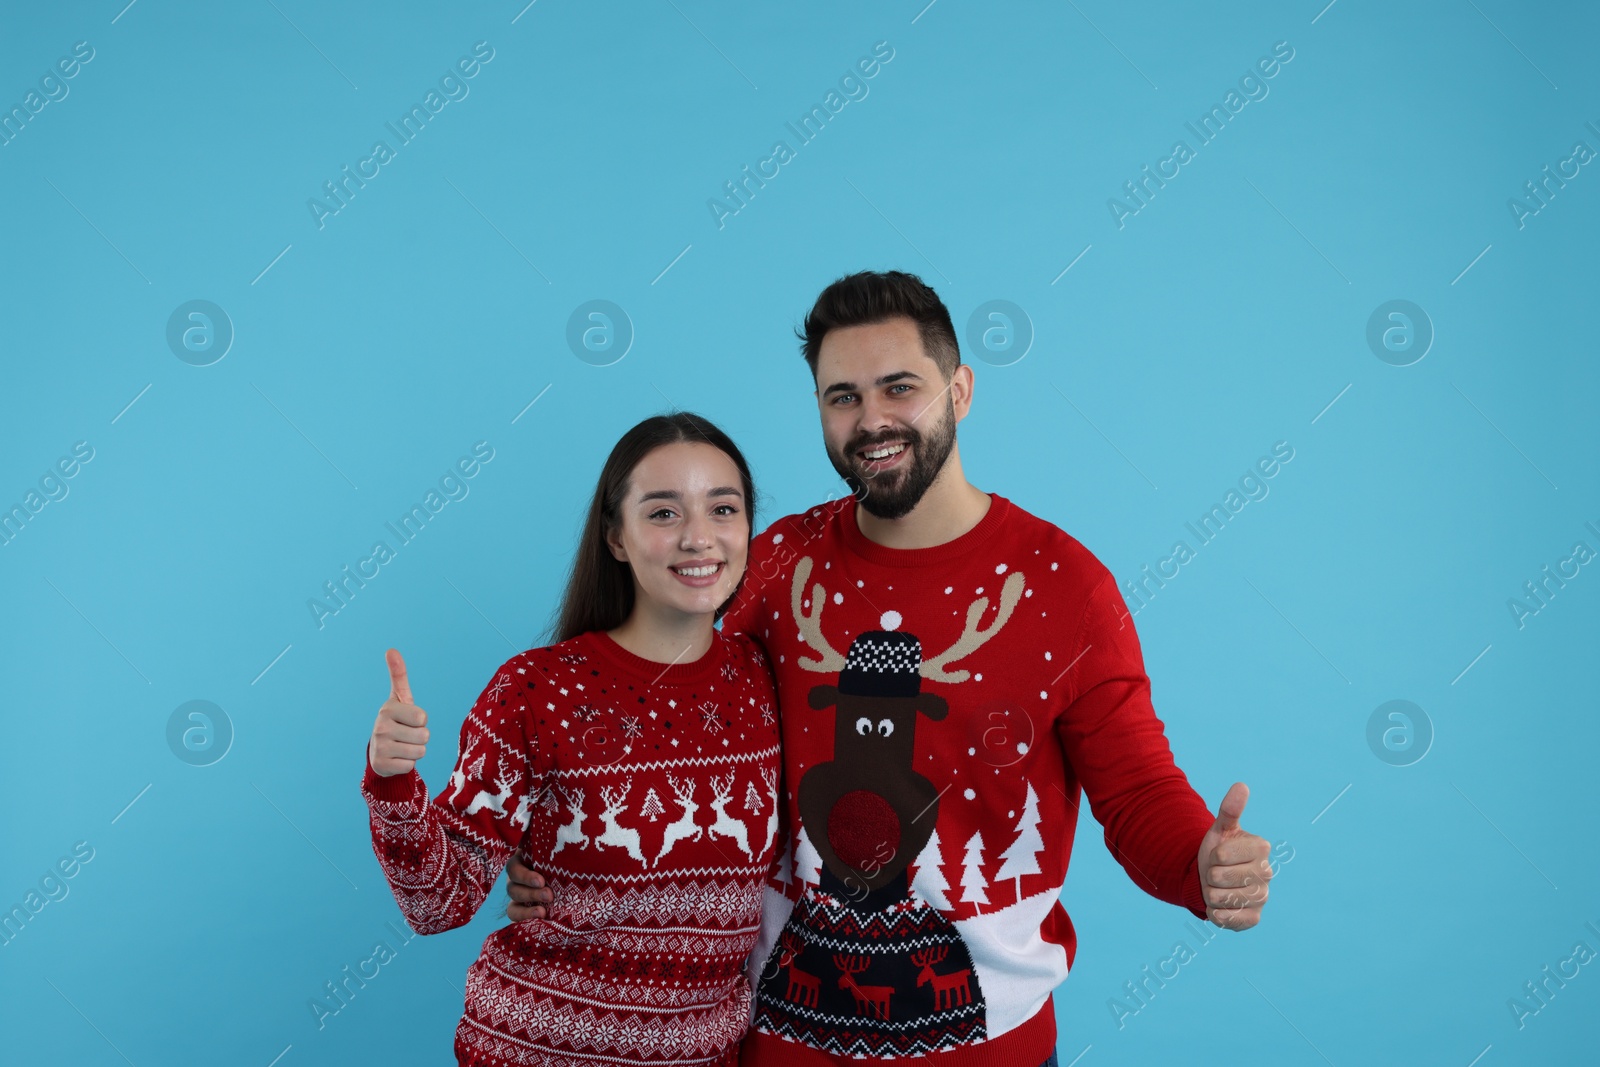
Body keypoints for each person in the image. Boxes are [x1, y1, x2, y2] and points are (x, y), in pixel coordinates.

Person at [508, 271, 1275, 1067]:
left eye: (898, 387)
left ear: (961, 389)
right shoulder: (773, 569)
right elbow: (665, 725)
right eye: (841, 396)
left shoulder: (1064, 586)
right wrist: (559, 848)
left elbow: (1138, 790)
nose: (871, 419)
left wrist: (1201, 864)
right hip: (780, 1045)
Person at [361, 412, 783, 1067]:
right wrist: (393, 779)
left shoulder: (765, 678)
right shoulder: (535, 691)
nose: (700, 538)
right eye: (664, 513)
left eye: (722, 508)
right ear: (616, 536)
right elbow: (438, 903)